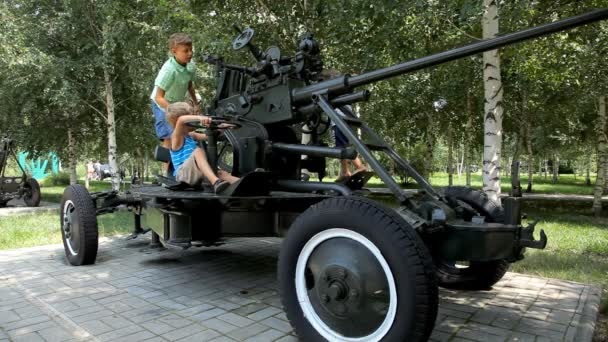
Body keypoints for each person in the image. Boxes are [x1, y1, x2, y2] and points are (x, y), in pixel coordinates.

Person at [151, 33, 199, 174]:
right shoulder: (168, 70)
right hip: (162, 104)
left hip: (176, 103)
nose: (190, 54)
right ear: (174, 52)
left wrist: (196, 103)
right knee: (169, 135)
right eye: (185, 51)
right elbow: (159, 97)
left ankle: (184, 168)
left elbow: (190, 86)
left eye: (191, 50)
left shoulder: (190, 67)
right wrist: (173, 110)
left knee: (186, 132)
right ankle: (166, 174)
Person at [166, 102, 238, 193]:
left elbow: (210, 137)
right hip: (183, 176)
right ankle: (215, 182)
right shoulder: (176, 138)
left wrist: (222, 128)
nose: (196, 119)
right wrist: (201, 118)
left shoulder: (191, 135)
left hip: (196, 174)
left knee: (221, 173)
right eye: (193, 116)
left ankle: (247, 185)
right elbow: (181, 119)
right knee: (198, 151)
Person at [319, 69, 367, 182]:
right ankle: (345, 171)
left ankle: (360, 167)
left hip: (339, 120)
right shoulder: (344, 88)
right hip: (344, 119)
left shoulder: (334, 89)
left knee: (342, 147)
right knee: (341, 146)